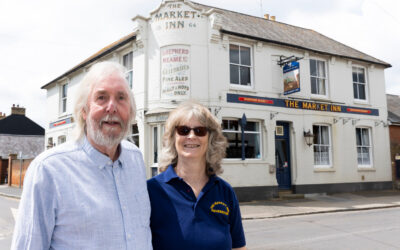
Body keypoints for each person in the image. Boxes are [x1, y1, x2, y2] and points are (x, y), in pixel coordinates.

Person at [11, 62, 152, 249]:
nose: (112, 107)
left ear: (131, 111)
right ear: (84, 111)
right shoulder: (48, 170)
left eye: (121, 98)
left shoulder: (135, 159)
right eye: (101, 97)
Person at [147, 101, 246, 250]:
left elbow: (238, 248)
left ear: (210, 138)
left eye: (200, 131)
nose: (191, 136)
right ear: (173, 138)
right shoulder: (151, 191)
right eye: (183, 130)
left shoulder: (224, 192)